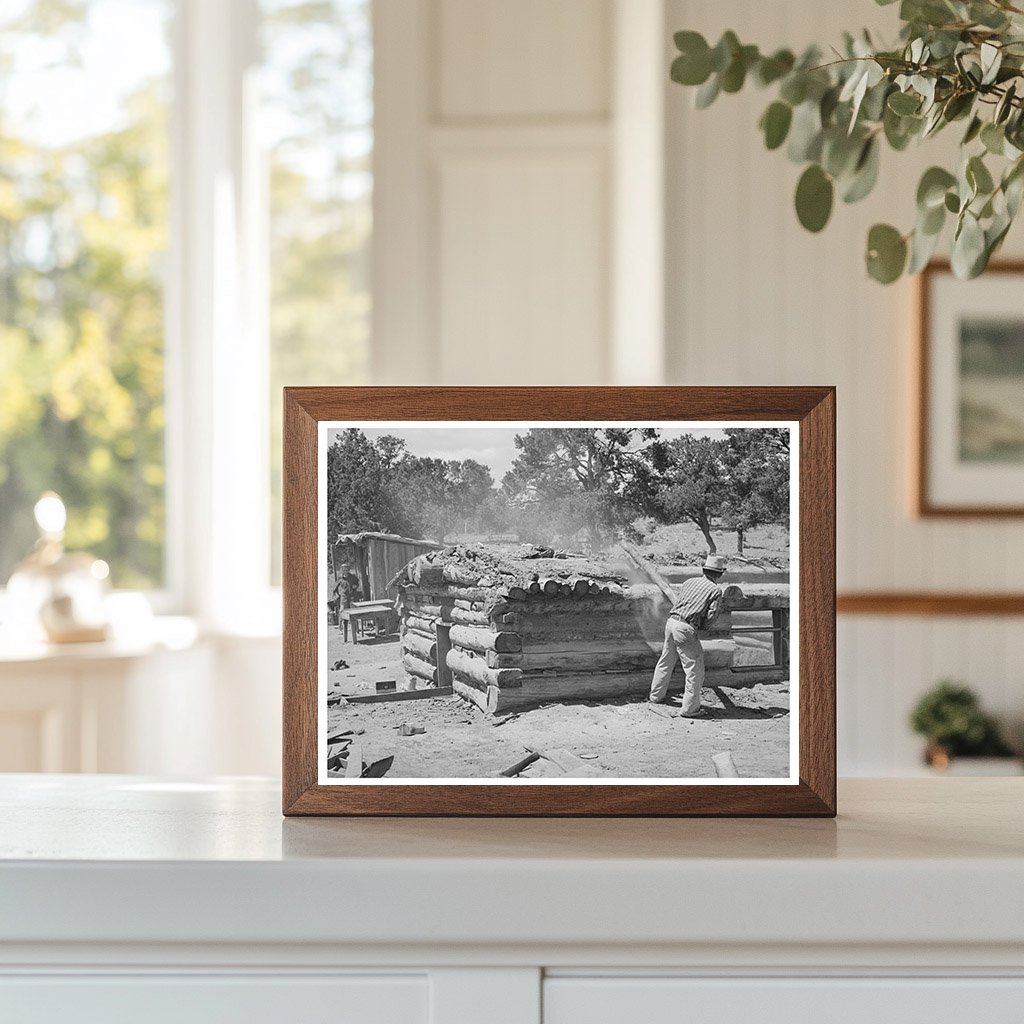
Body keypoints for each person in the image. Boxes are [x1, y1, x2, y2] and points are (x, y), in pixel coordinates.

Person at [648, 553, 727, 717]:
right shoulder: (715, 590)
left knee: (666, 661)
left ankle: (656, 697)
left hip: (671, 622)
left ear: (704, 569)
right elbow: (712, 614)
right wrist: (703, 627)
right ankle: (690, 709)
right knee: (695, 670)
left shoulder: (689, 581)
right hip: (685, 627)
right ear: (719, 574)